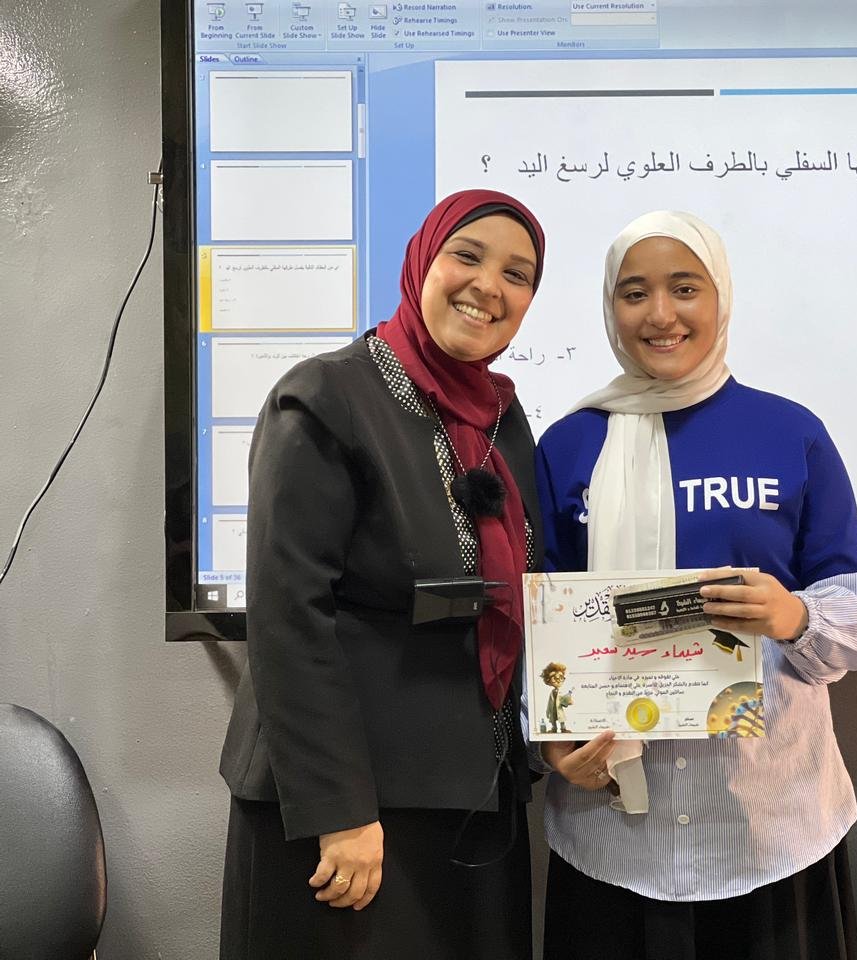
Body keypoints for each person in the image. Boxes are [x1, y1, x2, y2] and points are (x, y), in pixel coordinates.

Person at [533, 210, 857, 960]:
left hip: (770, 828)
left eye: (684, 288)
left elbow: (855, 609)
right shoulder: (569, 445)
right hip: (615, 838)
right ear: (610, 308)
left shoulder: (791, 433)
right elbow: (538, 628)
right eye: (635, 293)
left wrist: (792, 614)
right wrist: (555, 748)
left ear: (720, 298)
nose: (661, 314)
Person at [218, 189, 546, 959]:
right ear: (423, 260)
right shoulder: (326, 396)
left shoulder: (501, 417)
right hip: (354, 818)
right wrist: (340, 810)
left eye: (518, 274)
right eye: (466, 256)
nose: (488, 286)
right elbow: (287, 615)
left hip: (472, 797)